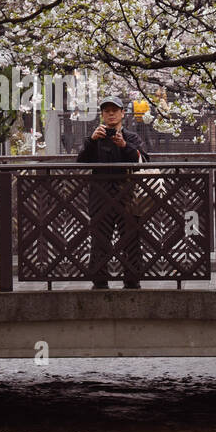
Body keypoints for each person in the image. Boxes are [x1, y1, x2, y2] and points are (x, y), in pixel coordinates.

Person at [77, 95, 145, 289]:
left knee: (131, 238)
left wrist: (124, 145)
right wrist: (92, 140)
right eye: (107, 111)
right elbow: (80, 162)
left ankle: (132, 280)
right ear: (102, 115)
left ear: (123, 113)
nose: (111, 114)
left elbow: (143, 161)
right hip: (100, 196)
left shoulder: (131, 137)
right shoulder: (95, 138)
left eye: (115, 110)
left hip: (128, 196)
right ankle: (99, 280)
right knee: (100, 239)